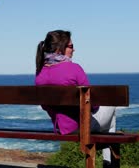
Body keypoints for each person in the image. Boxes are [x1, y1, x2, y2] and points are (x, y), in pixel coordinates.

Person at [35, 30, 117, 167]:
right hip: (79, 126)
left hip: (60, 128)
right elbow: (93, 105)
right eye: (71, 46)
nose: (74, 50)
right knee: (112, 108)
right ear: (60, 48)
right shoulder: (74, 68)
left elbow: (44, 106)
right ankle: (108, 164)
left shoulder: (40, 73)